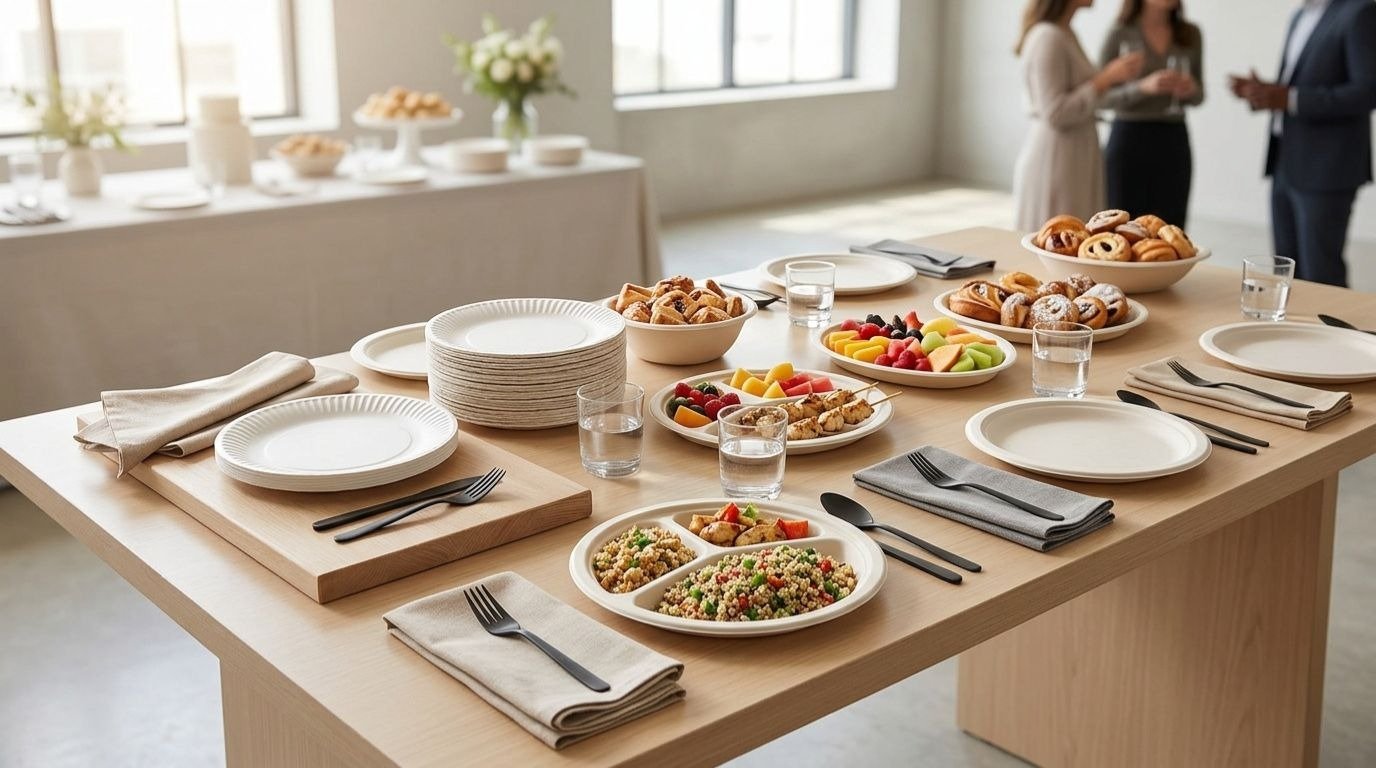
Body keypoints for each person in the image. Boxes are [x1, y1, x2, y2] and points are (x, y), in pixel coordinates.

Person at [1229, 0, 1376, 287]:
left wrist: (1291, 99)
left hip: (1327, 167)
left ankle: (1335, 333)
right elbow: (1298, 87)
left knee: (1321, 276)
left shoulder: (1360, 12)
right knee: (1286, 275)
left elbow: (1368, 91)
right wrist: (1267, 93)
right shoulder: (1300, 16)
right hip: (1285, 159)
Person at [1014, 0, 1144, 232]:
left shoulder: (1066, 32)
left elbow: (1085, 97)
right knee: (1057, 239)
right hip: (1057, 158)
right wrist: (1104, 79)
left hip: (1075, 155)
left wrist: (1120, 81)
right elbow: (1055, 112)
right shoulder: (1048, 37)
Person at [1099, 0, 1203, 226]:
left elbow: (1200, 95)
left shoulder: (1190, 34)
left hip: (1173, 138)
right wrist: (1142, 88)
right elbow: (1100, 97)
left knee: (1170, 226)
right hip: (1128, 137)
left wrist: (1190, 88)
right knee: (1122, 224)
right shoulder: (1120, 33)